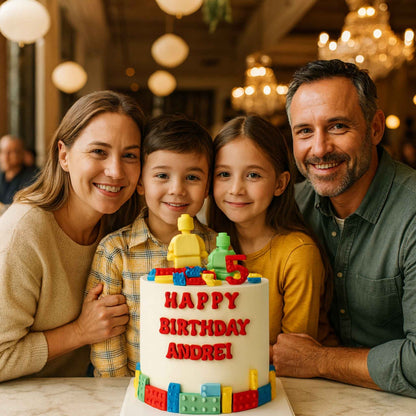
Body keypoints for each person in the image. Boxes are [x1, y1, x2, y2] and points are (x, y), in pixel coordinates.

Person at [272, 59, 416, 398]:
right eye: (304, 131)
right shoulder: (291, 207)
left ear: (375, 128)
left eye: (337, 126)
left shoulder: (411, 214)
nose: (319, 149)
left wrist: (320, 360)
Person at [0, 90, 146, 382]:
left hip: (90, 393)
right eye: (98, 152)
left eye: (130, 155)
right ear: (64, 156)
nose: (116, 171)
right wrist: (80, 331)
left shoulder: (124, 226)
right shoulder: (25, 230)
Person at [86, 114, 217, 377]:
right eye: (162, 175)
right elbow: (106, 337)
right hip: (133, 385)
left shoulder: (216, 247)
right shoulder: (115, 251)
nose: (177, 189)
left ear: (207, 187)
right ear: (141, 183)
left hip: (201, 381)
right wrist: (117, 391)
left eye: (192, 177)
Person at [209, 115, 333, 361]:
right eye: (224, 174)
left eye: (253, 175)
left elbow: (295, 357)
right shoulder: (206, 244)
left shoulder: (298, 254)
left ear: (280, 183)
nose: (236, 188)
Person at [0, 135, 38, 208]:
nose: (5, 157)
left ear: (22, 154)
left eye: (10, 152)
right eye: (2, 152)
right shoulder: (1, 175)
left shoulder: (33, 179)